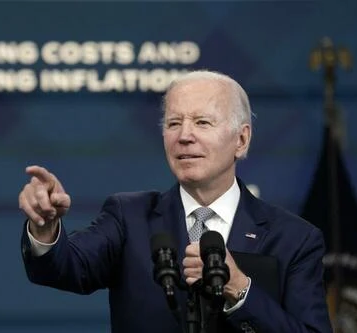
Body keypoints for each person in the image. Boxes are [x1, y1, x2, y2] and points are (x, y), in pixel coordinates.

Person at [19, 70, 332, 333]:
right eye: (173, 123)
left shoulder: (294, 239)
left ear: (241, 139)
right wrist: (45, 228)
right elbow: (65, 267)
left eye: (202, 123)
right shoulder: (130, 217)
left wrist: (240, 290)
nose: (184, 136)